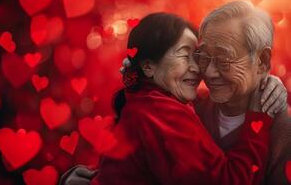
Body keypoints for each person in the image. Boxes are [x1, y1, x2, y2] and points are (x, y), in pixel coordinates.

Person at [76, 12, 272, 185]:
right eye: (185, 56)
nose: (197, 68)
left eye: (198, 56)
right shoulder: (161, 113)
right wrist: (259, 115)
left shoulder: (143, 102)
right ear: (149, 67)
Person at [193, 0, 290, 184]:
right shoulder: (193, 110)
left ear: (262, 60)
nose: (209, 72)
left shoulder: (284, 131)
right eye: (204, 57)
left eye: (224, 59)